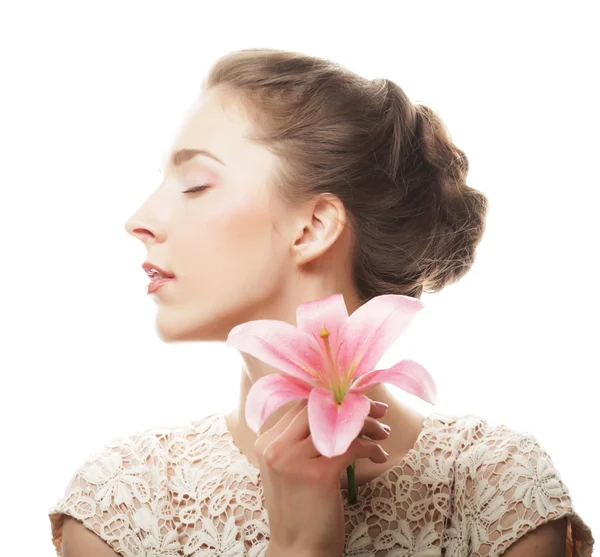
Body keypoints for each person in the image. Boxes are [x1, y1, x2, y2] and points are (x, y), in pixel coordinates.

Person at [48, 48, 594, 556]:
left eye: (195, 184)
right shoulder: (123, 499)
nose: (138, 220)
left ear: (311, 227)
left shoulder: (493, 485)